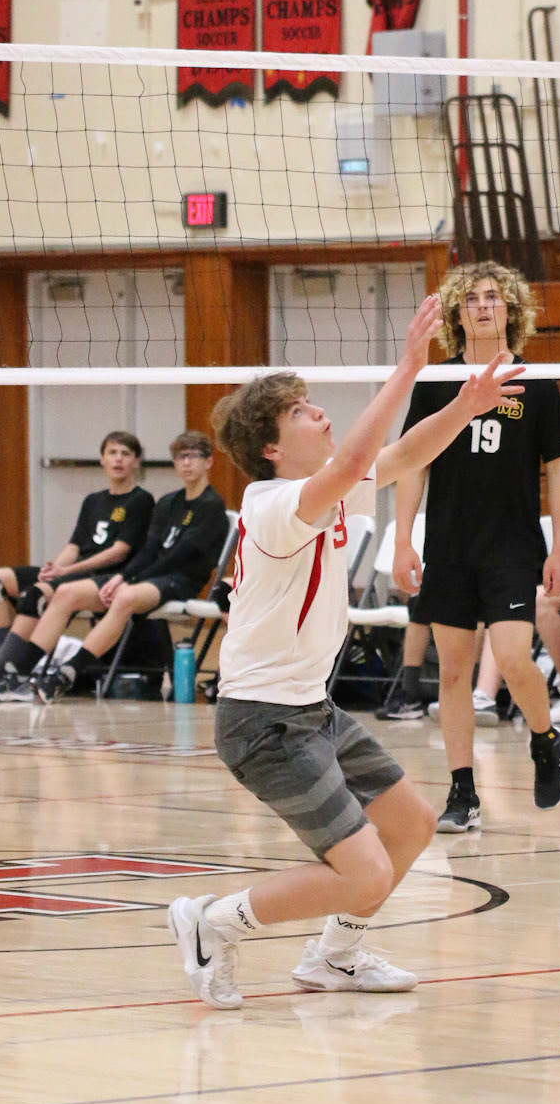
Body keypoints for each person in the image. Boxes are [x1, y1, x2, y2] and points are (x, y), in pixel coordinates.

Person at [167, 297, 520, 1006]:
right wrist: (408, 366)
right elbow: (360, 455)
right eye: (300, 411)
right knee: (364, 873)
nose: (318, 412)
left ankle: (335, 957)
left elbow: (403, 454)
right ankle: (212, 921)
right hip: (262, 721)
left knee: (412, 826)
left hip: (310, 710)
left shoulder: (326, 492)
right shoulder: (273, 503)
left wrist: (466, 405)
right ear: (271, 447)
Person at [392, 263, 560, 832]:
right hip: (448, 547)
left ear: (510, 309)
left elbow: (558, 467)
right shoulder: (435, 382)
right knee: (452, 673)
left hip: (512, 548)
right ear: (457, 313)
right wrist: (403, 539)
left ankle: (544, 740)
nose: (483, 305)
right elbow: (411, 462)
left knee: (514, 659)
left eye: (493, 296)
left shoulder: (536, 381)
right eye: (471, 298)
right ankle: (462, 791)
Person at [0, 430, 227, 703]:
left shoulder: (211, 505)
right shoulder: (169, 502)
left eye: (194, 456)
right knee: (66, 593)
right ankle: (18, 674)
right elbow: (149, 551)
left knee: (125, 596)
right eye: (181, 457)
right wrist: (123, 576)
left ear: (209, 461)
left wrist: (129, 580)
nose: (187, 463)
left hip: (179, 581)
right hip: (148, 577)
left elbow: (178, 558)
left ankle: (68, 672)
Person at [0, 430, 153, 699]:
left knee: (35, 595)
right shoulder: (93, 500)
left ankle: (7, 672)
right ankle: (1, 666)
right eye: (112, 453)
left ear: (136, 461)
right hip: (75, 570)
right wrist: (52, 570)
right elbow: (74, 547)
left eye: (125, 454)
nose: (118, 459)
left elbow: (119, 552)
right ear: (102, 459)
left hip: (102, 576)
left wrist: (65, 572)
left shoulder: (140, 500)